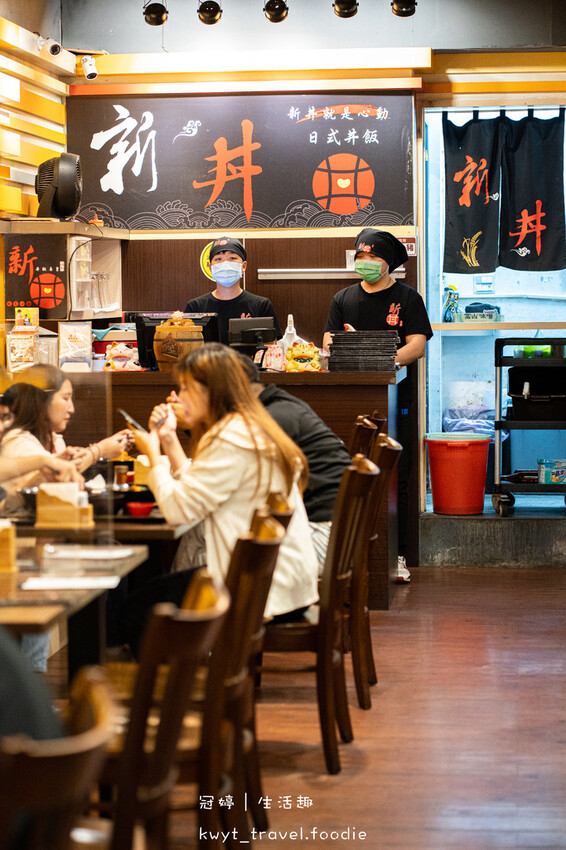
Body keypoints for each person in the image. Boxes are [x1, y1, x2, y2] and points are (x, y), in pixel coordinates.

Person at [123, 342, 319, 655]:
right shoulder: (248, 426)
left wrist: (154, 455)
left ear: (210, 391)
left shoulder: (230, 437)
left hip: (260, 590)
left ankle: (164, 692)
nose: (179, 397)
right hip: (277, 580)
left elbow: (177, 511)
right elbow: (202, 492)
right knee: (146, 597)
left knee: (128, 615)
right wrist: (171, 439)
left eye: (186, 388)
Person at [323, 228, 433, 584]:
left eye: (373, 257)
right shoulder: (342, 298)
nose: (365, 263)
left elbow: (416, 345)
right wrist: (350, 352)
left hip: (397, 396)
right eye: (361, 256)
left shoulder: (408, 298)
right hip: (350, 398)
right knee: (350, 470)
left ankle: (397, 555)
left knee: (395, 476)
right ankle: (348, 555)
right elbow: (329, 340)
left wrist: (381, 361)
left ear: (390, 263)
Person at [235, 355, 352, 571]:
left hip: (322, 536)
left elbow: (236, 479)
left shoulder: (274, 418)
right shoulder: (278, 404)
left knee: (219, 552)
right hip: (334, 532)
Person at [0, 365, 133, 495]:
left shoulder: (54, 439)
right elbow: (53, 484)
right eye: (65, 398)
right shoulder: (18, 443)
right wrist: (99, 451)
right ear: (41, 401)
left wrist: (100, 451)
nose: (72, 409)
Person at [184, 236, 281, 345]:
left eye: (232, 258)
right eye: (218, 259)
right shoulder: (195, 308)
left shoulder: (261, 306)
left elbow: (270, 350)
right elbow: (187, 349)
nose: (225, 263)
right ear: (211, 268)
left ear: (243, 266)